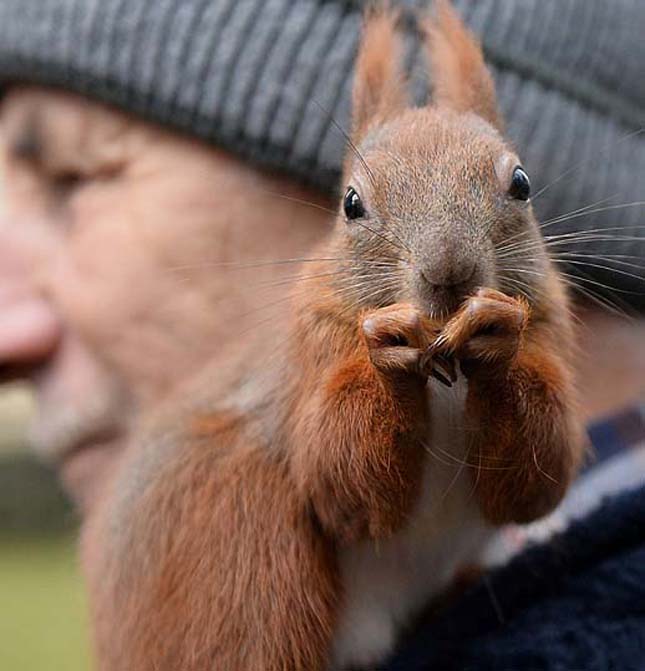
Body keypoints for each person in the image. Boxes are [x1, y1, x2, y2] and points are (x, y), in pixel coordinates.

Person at [0, 0, 643, 667]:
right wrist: (385, 383)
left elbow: (525, 491)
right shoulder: (327, 314)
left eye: (73, 176)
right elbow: (361, 503)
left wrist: (508, 379)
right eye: (362, 207)